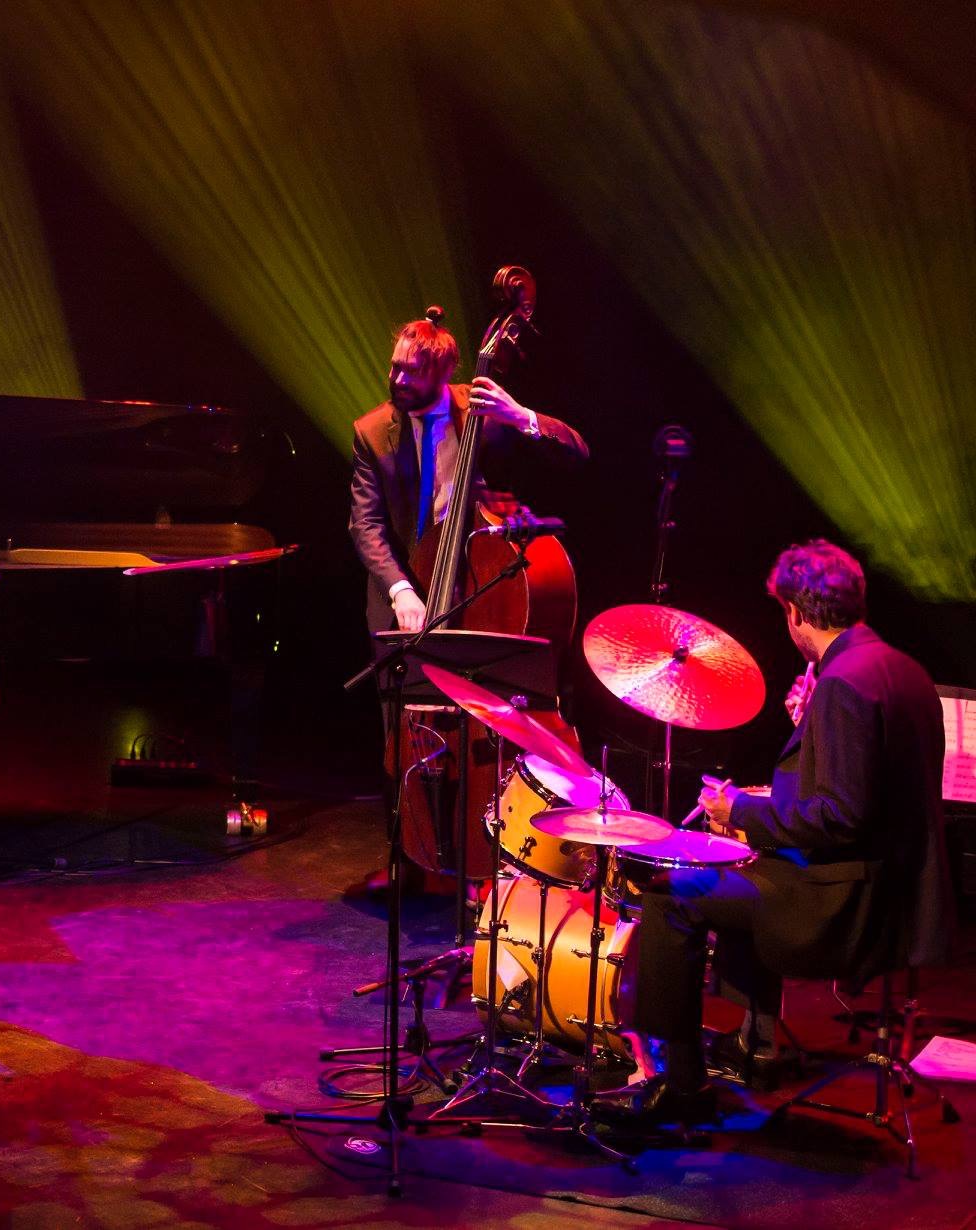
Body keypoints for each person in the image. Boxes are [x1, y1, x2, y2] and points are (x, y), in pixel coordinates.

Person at [627, 539, 951, 1124]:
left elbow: (840, 816)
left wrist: (739, 812)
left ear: (796, 613)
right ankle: (753, 1046)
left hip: (842, 906)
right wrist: (811, 729)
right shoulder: (901, 670)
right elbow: (872, 787)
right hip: (895, 893)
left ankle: (682, 1086)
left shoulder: (844, 682)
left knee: (670, 896)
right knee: (745, 873)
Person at [348, 308, 588, 893]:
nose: (397, 380)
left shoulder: (479, 411)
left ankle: (489, 857)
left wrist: (521, 417)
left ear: (443, 371)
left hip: (479, 584)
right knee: (401, 729)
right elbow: (366, 525)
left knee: (488, 722)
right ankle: (409, 855)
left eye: (411, 372)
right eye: (394, 368)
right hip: (403, 587)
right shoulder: (372, 432)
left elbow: (576, 452)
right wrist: (402, 589)